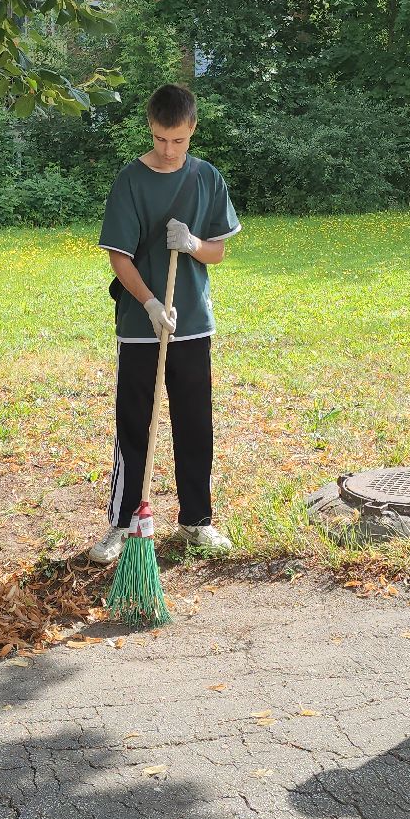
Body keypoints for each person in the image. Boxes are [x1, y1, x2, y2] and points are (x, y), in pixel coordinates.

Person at [87, 84, 241, 562]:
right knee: (134, 423)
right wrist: (152, 304)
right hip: (141, 324)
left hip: (192, 322)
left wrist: (193, 244)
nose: (168, 149)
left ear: (192, 128)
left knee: (194, 423)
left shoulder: (207, 178)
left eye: (177, 139)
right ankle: (122, 522)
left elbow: (217, 250)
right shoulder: (131, 181)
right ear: (150, 129)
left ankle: (198, 520)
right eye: (159, 139)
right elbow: (118, 255)